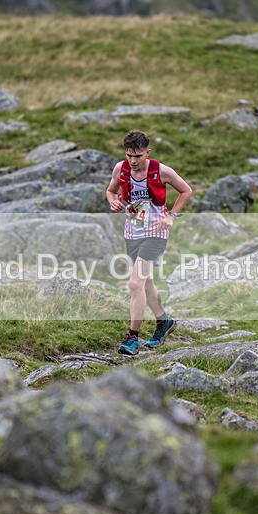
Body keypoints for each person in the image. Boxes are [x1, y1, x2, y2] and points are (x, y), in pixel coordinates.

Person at [106, 130, 192, 355]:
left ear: (147, 153)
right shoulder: (120, 168)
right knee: (145, 283)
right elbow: (110, 191)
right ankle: (164, 322)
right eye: (129, 156)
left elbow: (186, 191)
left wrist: (171, 216)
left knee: (135, 283)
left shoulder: (162, 171)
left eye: (138, 156)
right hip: (133, 231)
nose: (133, 162)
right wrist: (113, 202)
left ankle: (132, 337)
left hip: (156, 232)